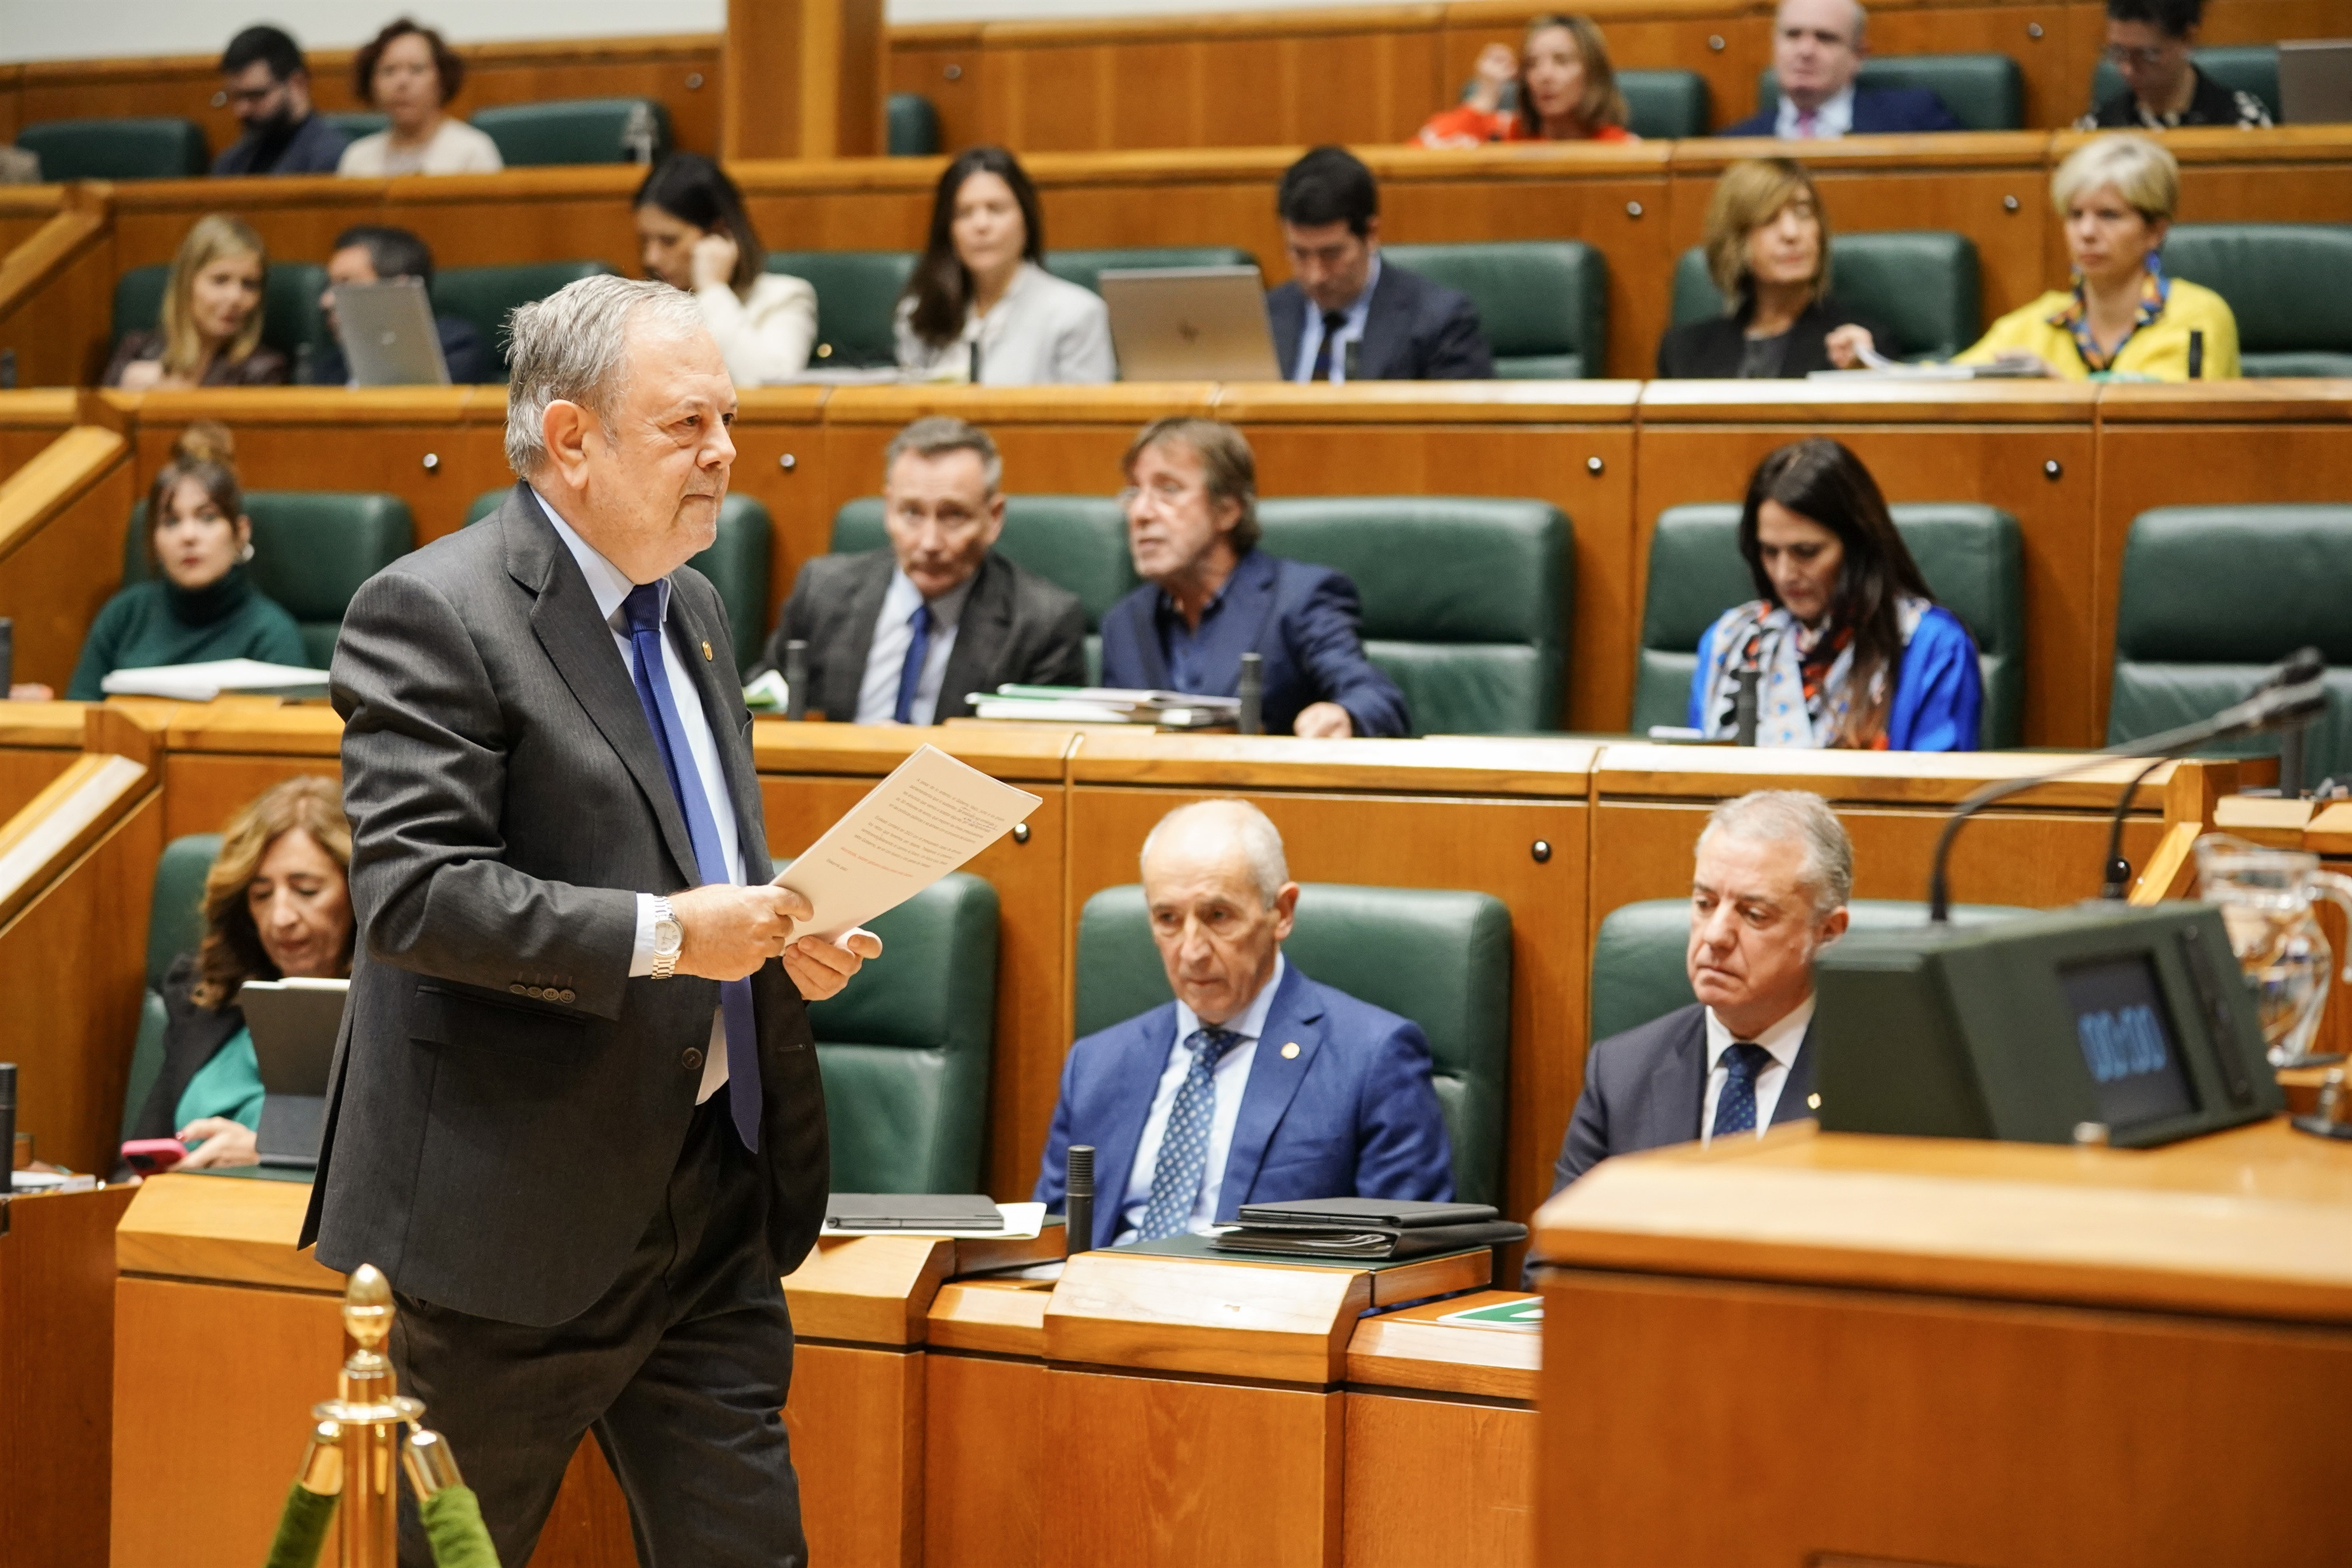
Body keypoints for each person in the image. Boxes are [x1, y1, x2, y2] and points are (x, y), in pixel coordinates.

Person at [304, 275, 880, 1565]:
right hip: (513, 1212)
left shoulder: (698, 608)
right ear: (571, 440)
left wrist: (783, 925)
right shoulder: (435, 614)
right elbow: (416, 893)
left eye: (727, 420)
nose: (727, 453)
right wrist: (676, 935)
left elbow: (684, 844)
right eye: (688, 425)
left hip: (711, 1196)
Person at [1036, 799, 1453, 1244]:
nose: (1192, 951)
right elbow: (1047, 1246)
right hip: (1098, 1303)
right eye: (1168, 919)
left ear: (1283, 912)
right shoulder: (1097, 1063)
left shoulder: (1371, 1057)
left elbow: (1412, 1267)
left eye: (1218, 916)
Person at [1548, 791, 1851, 1192]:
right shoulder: (1621, 1073)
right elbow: (1557, 1249)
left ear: (1826, 933)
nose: (1715, 935)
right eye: (1705, 903)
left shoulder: (1879, 1086)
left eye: (1754, 914)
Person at [751, 417, 1085, 722]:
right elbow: (763, 708)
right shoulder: (823, 591)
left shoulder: (1042, 624)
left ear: (993, 517)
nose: (929, 542)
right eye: (911, 513)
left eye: (953, 515)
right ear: (888, 510)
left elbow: (1036, 762)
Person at [1098, 418, 1411, 739]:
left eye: (1168, 490)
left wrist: (1344, 715)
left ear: (1228, 510)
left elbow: (1376, 699)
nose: (1140, 513)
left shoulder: (1300, 599)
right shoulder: (1123, 623)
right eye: (1134, 492)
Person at [121, 777, 353, 1171]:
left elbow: (410, 1163)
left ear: (358, 892)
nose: (281, 918)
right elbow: (139, 1156)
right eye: (262, 895)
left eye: (307, 890)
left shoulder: (399, 1012)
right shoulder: (206, 995)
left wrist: (271, 1155)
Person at [1690, 439, 1982, 751]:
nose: (1784, 574)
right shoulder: (1728, 640)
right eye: (1770, 552)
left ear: (1858, 549)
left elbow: (1939, 793)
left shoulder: (1934, 646)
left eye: (1806, 552)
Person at [1948, 133, 2238, 379]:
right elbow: (1939, 381)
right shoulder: (2035, 323)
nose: (2086, 232)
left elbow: (2166, 423)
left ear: (2155, 232)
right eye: (2075, 215)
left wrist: (2057, 396)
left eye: (2109, 215)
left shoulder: (2200, 315)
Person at [66, 423, 308, 701]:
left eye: (207, 518)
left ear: (241, 533)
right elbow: (78, 722)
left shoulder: (271, 634)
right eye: (171, 521)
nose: (188, 536)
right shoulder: (123, 617)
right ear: (153, 540)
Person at [1266, 146, 1494, 382]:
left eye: (1331, 254)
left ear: (1371, 234)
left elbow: (1466, 417)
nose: (1316, 276)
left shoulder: (1439, 322)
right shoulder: (1264, 319)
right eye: (1300, 254)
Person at [895, 146, 1114, 385]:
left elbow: (1085, 419)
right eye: (964, 213)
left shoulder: (1076, 314)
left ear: (1026, 220)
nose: (981, 225)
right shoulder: (919, 312)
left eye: (996, 209)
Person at [1655, 158, 1893, 378]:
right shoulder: (1683, 351)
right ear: (1735, 239)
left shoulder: (1860, 347)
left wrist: (1861, 374)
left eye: (1803, 213)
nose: (1791, 233)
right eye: (1769, 218)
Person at [634, 152, 817, 387]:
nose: (651, 258)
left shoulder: (784, 297)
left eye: (669, 241)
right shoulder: (639, 310)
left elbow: (765, 384)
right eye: (645, 242)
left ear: (717, 233)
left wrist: (712, 289)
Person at [1720, 0, 1964, 138]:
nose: (1805, 51)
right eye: (1793, 35)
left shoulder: (1916, 120)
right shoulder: (1732, 144)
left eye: (1825, 38)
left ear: (1858, 55)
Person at [102, 215, 288, 390]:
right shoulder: (137, 351)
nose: (235, 297)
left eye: (249, 285)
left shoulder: (264, 369)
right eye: (220, 280)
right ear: (187, 282)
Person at [1415, 15, 1635, 146]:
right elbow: (1418, 156)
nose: (1544, 75)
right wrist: (1485, 96)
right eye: (1532, 63)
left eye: (1562, 61)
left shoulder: (1621, 147)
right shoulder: (1504, 133)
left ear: (1592, 73)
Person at [313, 224, 489, 385]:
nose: (326, 301)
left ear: (399, 290)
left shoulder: (455, 350)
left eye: (345, 283)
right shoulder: (331, 366)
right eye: (330, 285)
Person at [336, 18, 503, 177]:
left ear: (442, 79)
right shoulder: (357, 159)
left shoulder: (472, 152)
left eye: (417, 69)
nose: (402, 82)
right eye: (389, 71)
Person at [2077, 0, 2272, 131]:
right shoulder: (2096, 128)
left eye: (2147, 54)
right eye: (2118, 52)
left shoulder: (2243, 122)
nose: (2127, 69)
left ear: (2187, 39)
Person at [212, 24, 350, 177]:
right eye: (236, 97)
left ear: (297, 84)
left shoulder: (332, 157)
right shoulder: (230, 163)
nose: (241, 110)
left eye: (256, 95)